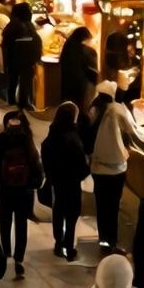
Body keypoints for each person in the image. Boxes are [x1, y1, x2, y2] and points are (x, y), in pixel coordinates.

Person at [0, 109, 42, 279]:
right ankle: (19, 260)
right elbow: (35, 164)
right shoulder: (26, 141)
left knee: (5, 223)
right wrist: (35, 183)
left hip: (5, 190)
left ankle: (6, 253)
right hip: (24, 192)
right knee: (21, 224)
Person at [86, 81, 141, 253]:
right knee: (113, 206)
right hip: (116, 168)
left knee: (101, 205)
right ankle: (112, 241)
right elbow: (131, 129)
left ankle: (104, 241)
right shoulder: (117, 109)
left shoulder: (93, 110)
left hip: (97, 167)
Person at [41, 101, 89, 261]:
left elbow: (46, 158)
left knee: (58, 211)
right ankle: (69, 246)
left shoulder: (52, 135)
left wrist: (51, 175)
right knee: (72, 214)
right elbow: (81, 165)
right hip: (72, 183)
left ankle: (58, 242)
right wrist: (85, 171)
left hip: (57, 182)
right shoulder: (73, 137)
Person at [1, 2, 41, 109]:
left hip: (14, 58)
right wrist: (36, 57)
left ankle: (12, 104)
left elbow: (5, 43)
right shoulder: (28, 26)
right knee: (25, 82)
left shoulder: (12, 25)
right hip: (26, 60)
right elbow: (36, 42)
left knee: (13, 82)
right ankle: (23, 104)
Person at [58, 26, 99, 108]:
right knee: (78, 107)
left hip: (67, 84)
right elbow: (90, 69)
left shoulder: (68, 46)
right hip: (79, 86)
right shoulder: (84, 50)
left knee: (68, 106)